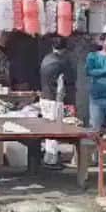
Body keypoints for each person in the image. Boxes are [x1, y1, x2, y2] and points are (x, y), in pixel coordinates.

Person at [38, 38, 75, 167]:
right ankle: (52, 160)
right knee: (54, 129)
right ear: (64, 49)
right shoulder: (61, 62)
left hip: (44, 97)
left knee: (48, 128)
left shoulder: (46, 59)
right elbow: (62, 82)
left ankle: (48, 157)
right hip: (54, 98)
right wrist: (62, 98)